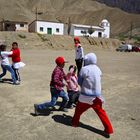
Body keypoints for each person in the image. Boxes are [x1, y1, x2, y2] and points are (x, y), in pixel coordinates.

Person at [72, 53, 113, 136]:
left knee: (78, 111)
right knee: (101, 113)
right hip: (97, 97)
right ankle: (109, 129)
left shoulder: (84, 69)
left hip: (85, 96)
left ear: (87, 60)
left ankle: (75, 123)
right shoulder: (98, 69)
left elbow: (79, 82)